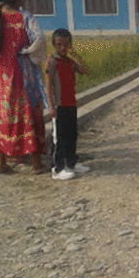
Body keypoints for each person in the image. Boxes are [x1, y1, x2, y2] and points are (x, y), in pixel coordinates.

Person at [0, 0, 46, 173]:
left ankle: (1, 163)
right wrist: (29, 52)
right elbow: (40, 38)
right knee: (29, 113)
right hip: (21, 73)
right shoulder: (24, 17)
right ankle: (36, 163)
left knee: (1, 115)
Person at [45, 28, 90, 180]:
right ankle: (57, 168)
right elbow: (48, 86)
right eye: (59, 45)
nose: (63, 48)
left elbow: (85, 70)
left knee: (72, 135)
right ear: (54, 45)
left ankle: (71, 163)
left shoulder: (70, 62)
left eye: (66, 45)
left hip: (71, 104)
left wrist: (75, 55)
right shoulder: (53, 61)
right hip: (59, 106)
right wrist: (51, 106)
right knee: (59, 138)